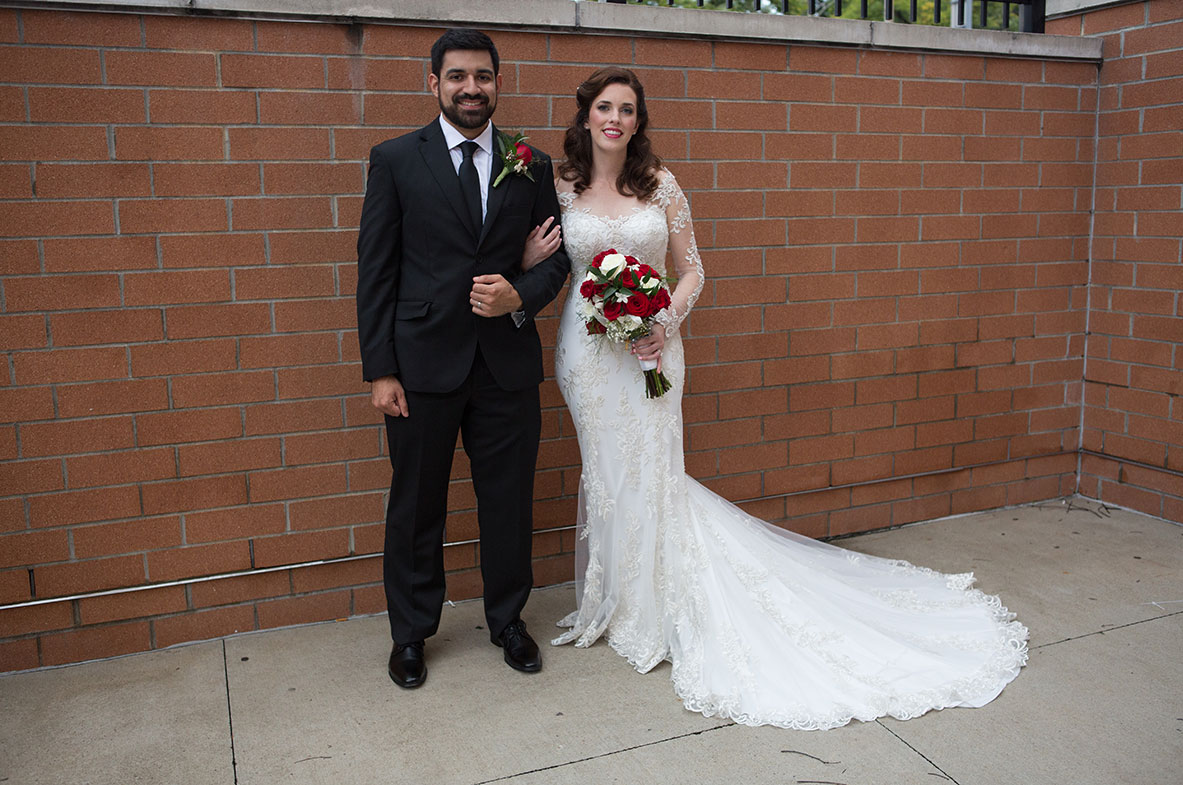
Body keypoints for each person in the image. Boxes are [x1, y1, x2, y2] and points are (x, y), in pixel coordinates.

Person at [521, 66, 1028, 730]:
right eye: (605, 107)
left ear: (638, 123)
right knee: (610, 473)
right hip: (587, 357)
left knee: (651, 470)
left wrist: (662, 321)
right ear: (586, 115)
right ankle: (616, 601)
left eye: (628, 110)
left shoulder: (661, 185)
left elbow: (694, 268)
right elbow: (548, 266)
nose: (615, 118)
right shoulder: (559, 188)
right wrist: (530, 260)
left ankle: (656, 606)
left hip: (652, 350)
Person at [356, 28, 570, 690]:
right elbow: (376, 271)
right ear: (434, 84)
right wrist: (381, 369)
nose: (471, 87)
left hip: (504, 362)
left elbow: (556, 255)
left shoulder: (530, 163)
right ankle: (411, 632)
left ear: (499, 83)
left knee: (506, 502)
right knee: (416, 503)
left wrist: (519, 293)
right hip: (420, 366)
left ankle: (507, 619)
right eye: (457, 76)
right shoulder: (395, 160)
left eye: (483, 76)